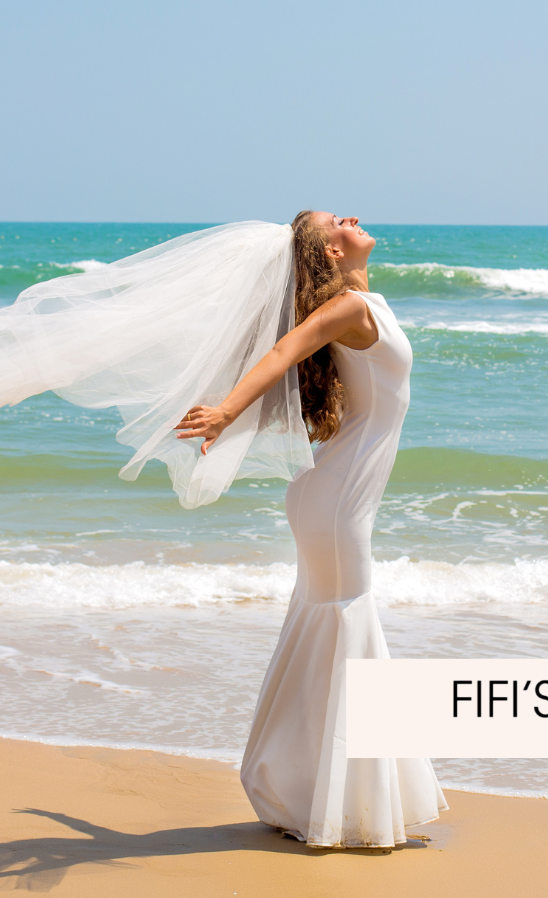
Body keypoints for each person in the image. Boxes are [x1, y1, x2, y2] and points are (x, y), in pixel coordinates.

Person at [174, 211, 448, 848]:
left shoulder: (366, 302)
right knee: (347, 627)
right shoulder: (350, 310)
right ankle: (333, 802)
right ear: (330, 249)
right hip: (336, 500)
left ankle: (309, 788)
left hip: (337, 495)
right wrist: (223, 414)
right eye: (337, 219)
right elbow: (281, 352)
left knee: (335, 630)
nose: (351, 216)